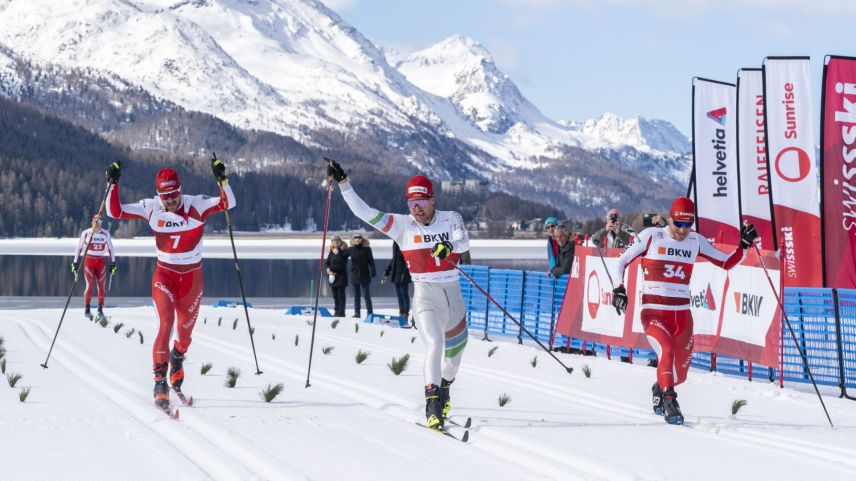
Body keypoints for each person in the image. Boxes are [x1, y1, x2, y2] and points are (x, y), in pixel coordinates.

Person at [327, 159, 469, 431]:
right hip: (426, 295)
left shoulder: (452, 218)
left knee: (454, 358)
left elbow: (464, 241)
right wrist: (344, 184)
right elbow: (365, 213)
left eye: (422, 202)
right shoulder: (402, 225)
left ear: (432, 200)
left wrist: (448, 245)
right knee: (434, 345)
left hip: (453, 294)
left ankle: (445, 389)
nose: (416, 208)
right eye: (411, 203)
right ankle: (432, 405)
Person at [104, 157, 236, 412]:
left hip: (192, 279)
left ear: (180, 190)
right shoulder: (151, 208)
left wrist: (222, 179)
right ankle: (159, 382)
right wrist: (112, 184)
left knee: (184, 337)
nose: (171, 201)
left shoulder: (196, 205)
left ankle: (177, 358)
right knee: (166, 322)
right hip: (164, 275)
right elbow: (115, 211)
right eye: (166, 197)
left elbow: (228, 203)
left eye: (174, 195)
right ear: (158, 195)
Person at [610, 197, 757, 425]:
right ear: (670, 218)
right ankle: (670, 402)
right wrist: (619, 289)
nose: (682, 230)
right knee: (666, 351)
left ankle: (661, 386)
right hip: (654, 313)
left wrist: (744, 246)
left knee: (680, 374)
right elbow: (620, 261)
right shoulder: (651, 236)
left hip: (682, 316)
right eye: (678, 224)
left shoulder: (696, 241)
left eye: (687, 225)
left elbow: (726, 262)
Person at [72, 214, 116, 320]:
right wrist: (75, 262)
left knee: (101, 286)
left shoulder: (105, 234)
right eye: (95, 223)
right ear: (92, 222)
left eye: (99, 223)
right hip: (89, 261)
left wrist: (113, 263)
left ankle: (100, 309)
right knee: (89, 285)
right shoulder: (86, 233)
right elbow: (79, 248)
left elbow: (111, 249)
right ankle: (87, 308)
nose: (97, 226)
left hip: (101, 262)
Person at [345, 233, 376, 318]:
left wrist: (373, 271)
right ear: (353, 240)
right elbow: (342, 257)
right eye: (355, 237)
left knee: (366, 295)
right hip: (355, 275)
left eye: (359, 237)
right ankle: (357, 313)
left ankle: (370, 313)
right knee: (356, 296)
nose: (357, 239)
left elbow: (371, 261)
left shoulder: (367, 249)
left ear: (362, 239)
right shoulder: (350, 249)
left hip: (365, 275)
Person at [383, 241, 412, 321]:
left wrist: (405, 272)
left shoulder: (405, 243)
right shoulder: (396, 243)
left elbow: (408, 259)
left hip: (403, 274)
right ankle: (401, 312)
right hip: (396, 273)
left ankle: (405, 314)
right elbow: (394, 259)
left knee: (404, 294)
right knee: (399, 295)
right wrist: (387, 270)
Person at [325, 235, 348, 317]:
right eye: (334, 241)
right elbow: (327, 262)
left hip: (341, 277)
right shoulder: (332, 251)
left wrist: (331, 270)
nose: (336, 242)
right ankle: (336, 311)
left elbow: (342, 265)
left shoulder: (344, 251)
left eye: (337, 241)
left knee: (340, 296)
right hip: (333, 278)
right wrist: (328, 269)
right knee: (335, 296)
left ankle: (341, 312)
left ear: (340, 242)